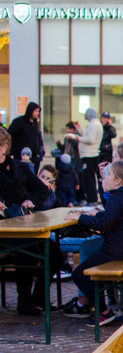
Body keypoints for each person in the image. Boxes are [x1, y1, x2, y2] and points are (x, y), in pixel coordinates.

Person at [63, 159, 123, 326]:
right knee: (90, 267)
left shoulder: (118, 198)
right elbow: (116, 219)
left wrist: (80, 218)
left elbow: (104, 225)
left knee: (79, 274)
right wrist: (97, 214)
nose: (103, 178)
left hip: (116, 251)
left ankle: (103, 311)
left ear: (117, 181)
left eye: (107, 175)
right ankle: (104, 307)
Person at [0, 126, 59, 315]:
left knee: (54, 252)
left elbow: (41, 189)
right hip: (4, 232)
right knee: (26, 250)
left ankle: (38, 298)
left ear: (4, 147)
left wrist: (30, 201)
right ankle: (24, 301)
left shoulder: (21, 167)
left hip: (24, 224)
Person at [77, 108, 104, 205]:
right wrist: (79, 130)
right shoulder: (94, 124)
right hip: (90, 154)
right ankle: (91, 199)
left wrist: (78, 138)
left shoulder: (94, 124)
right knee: (89, 178)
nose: (84, 115)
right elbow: (87, 135)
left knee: (89, 178)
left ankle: (91, 200)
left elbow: (91, 139)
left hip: (90, 155)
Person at [8, 102, 43, 171]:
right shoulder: (18, 122)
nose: (38, 113)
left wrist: (39, 152)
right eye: (36, 111)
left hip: (34, 157)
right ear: (31, 111)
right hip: (21, 156)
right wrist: (11, 153)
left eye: (38, 111)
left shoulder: (35, 124)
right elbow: (10, 136)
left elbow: (38, 137)